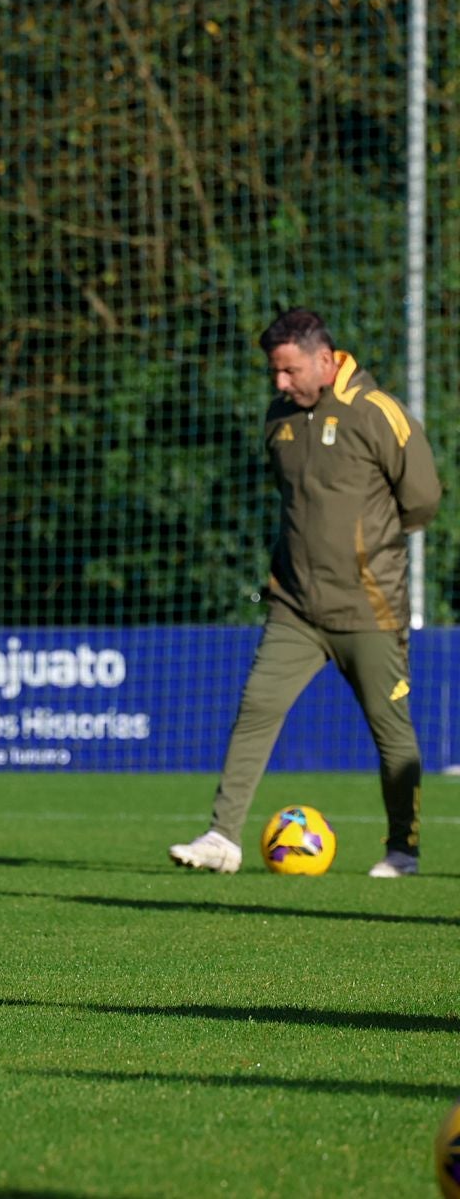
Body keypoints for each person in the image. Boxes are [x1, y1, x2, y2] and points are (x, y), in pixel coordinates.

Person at [170, 308, 441, 877]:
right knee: (257, 707)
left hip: (369, 606)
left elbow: (422, 499)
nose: (279, 383)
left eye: (288, 371)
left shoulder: (377, 413)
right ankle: (223, 838)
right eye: (274, 371)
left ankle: (402, 851)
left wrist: (366, 552)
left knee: (391, 732)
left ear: (324, 359)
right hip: (295, 607)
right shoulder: (279, 419)